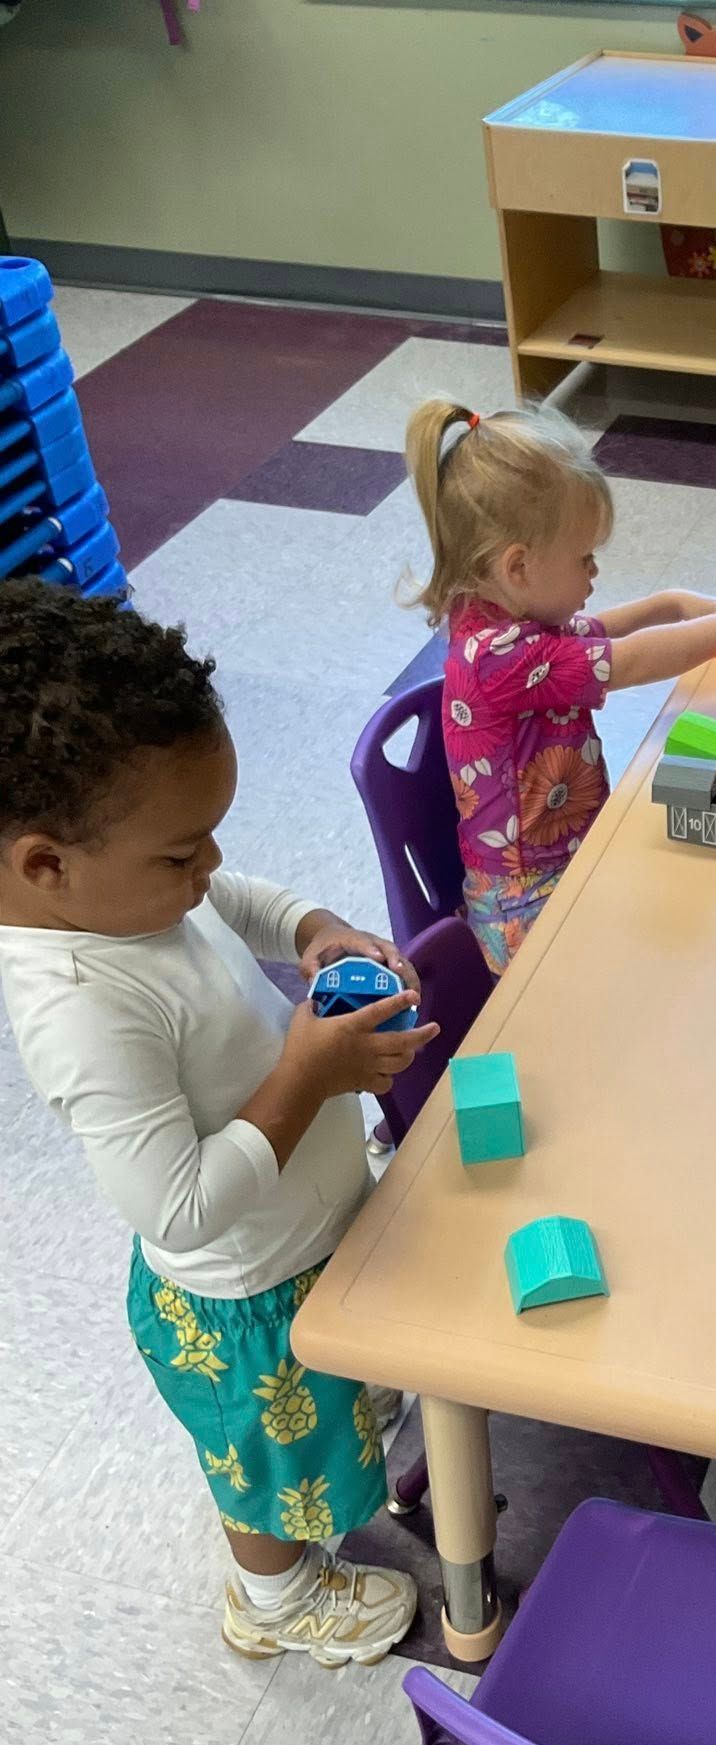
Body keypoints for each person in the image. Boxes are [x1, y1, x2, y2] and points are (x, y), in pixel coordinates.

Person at [0, 582, 434, 1663]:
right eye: (181, 853)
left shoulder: (135, 895)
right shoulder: (79, 1005)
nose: (207, 873)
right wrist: (308, 1072)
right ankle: (274, 1598)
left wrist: (311, 922)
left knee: (329, 1423)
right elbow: (178, 1208)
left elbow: (231, 898)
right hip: (246, 1294)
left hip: (302, 1229)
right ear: (46, 866)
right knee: (270, 1470)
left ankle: (318, 1476)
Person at [403, 400, 716, 974]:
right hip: (528, 906)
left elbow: (589, 635)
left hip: (562, 859)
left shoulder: (503, 620)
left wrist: (669, 603)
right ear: (519, 568)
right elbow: (626, 662)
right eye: (584, 558)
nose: (595, 573)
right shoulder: (498, 658)